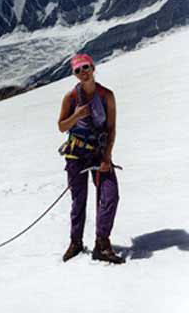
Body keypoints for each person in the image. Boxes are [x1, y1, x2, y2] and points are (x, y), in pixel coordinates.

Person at [58, 53, 125, 264]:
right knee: (79, 201)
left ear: (93, 67)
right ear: (74, 74)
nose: (83, 73)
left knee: (110, 195)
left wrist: (107, 157)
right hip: (76, 155)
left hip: (98, 154)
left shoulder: (107, 96)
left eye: (85, 67)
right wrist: (77, 115)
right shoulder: (70, 98)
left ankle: (101, 243)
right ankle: (76, 241)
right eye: (78, 70)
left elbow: (111, 129)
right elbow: (61, 126)